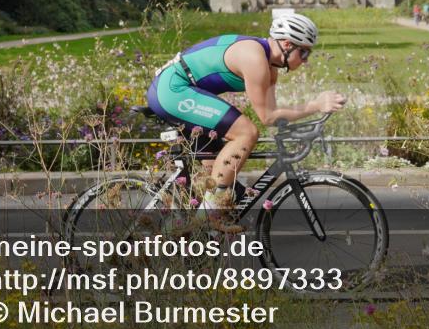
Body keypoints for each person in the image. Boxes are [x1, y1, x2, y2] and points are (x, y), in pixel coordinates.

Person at [146, 13, 345, 220]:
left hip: (181, 90)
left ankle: (192, 229)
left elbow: (273, 114)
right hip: (172, 90)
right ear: (287, 44)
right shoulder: (255, 59)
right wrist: (315, 105)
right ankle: (207, 217)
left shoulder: (270, 67)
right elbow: (267, 117)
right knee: (246, 133)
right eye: (304, 52)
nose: (305, 60)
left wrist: (306, 122)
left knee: (223, 182)